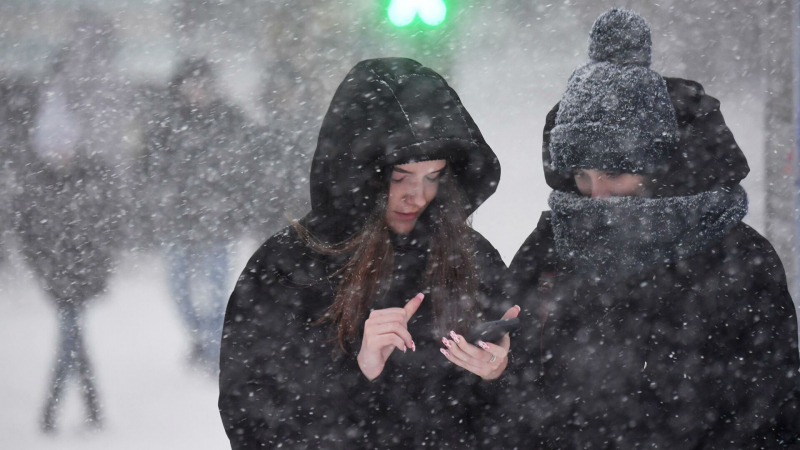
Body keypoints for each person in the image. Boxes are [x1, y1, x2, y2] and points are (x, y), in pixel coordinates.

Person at [503, 9, 800, 448]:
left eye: (614, 174)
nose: (596, 194)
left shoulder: (737, 257)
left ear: (658, 169)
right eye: (582, 176)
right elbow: (510, 395)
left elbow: (775, 413)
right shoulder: (549, 247)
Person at [218, 58, 517, 449]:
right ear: (358, 173)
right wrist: (358, 374)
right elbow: (253, 420)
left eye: (434, 177)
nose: (419, 196)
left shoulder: (470, 257)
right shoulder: (289, 266)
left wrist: (499, 373)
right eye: (401, 177)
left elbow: (528, 414)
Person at [14, 53, 120, 432]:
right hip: (57, 277)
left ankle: (58, 410)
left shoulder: (92, 179)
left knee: (71, 339)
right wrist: (46, 269)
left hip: (82, 274)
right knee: (72, 339)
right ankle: (83, 407)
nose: (61, 151)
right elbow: (28, 235)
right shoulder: (37, 187)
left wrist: (97, 268)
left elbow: (107, 229)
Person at [148, 57, 248, 373]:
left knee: (217, 294)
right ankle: (201, 339)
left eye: (202, 83)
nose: (196, 90)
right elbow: (149, 170)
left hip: (219, 223)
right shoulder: (166, 123)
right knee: (180, 292)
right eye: (190, 83)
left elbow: (248, 168)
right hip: (177, 223)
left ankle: (212, 349)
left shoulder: (229, 119)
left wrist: (235, 202)